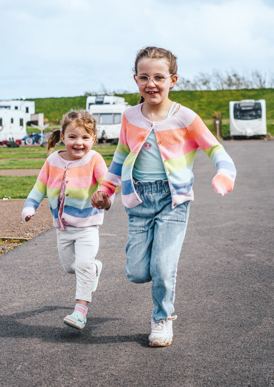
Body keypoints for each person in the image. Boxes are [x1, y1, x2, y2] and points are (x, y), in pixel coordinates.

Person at [91, 46, 236, 347]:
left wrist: (224, 173)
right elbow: (120, 156)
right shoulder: (130, 116)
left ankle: (161, 319)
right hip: (139, 201)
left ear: (173, 80)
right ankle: (155, 283)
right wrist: (106, 189)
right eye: (144, 77)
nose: (151, 83)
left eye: (159, 77)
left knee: (162, 267)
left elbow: (215, 149)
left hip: (174, 201)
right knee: (136, 273)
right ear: (135, 80)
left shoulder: (185, 117)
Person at [23, 110, 111, 330]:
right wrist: (29, 206)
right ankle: (93, 269)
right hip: (63, 228)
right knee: (70, 267)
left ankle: (80, 311)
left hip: (88, 226)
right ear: (63, 136)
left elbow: (107, 185)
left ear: (93, 139)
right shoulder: (53, 160)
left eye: (85, 137)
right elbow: (40, 186)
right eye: (73, 137)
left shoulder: (94, 159)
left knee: (81, 265)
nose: (79, 142)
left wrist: (105, 200)